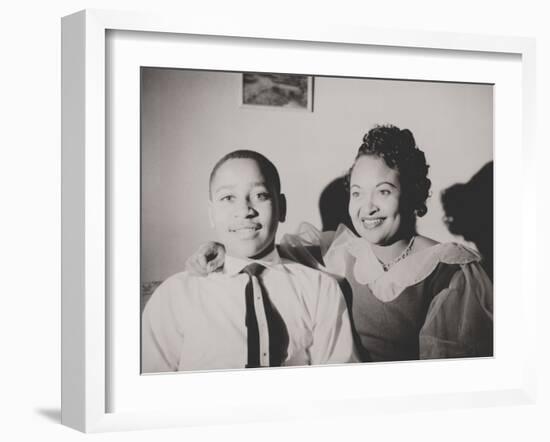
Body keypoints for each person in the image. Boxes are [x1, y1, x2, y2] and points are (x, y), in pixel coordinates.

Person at [187, 125, 493, 362]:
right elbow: (261, 251)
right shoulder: (338, 251)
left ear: (413, 194)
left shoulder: (448, 271)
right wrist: (223, 248)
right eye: (357, 193)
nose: (367, 207)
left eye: (383, 191)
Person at [141, 149, 358, 373]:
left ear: (281, 208)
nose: (245, 210)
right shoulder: (175, 296)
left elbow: (337, 380)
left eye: (260, 195)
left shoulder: (320, 289)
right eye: (228, 198)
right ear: (211, 213)